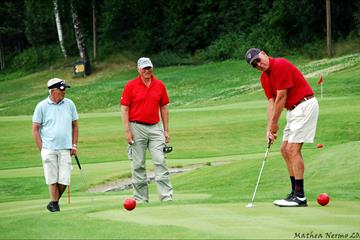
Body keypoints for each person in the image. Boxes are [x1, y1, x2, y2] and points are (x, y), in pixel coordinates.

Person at [245, 48, 319, 207]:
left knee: (293, 150)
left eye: (258, 59)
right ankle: (294, 193)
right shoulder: (264, 78)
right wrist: (268, 129)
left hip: (305, 105)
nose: (259, 64)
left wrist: (275, 123)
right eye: (255, 64)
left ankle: (300, 197)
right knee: (284, 150)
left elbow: (281, 96)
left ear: (264, 53)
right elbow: (271, 102)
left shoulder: (280, 64)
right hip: (293, 111)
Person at [120, 57, 173, 203]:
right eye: (144, 68)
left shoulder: (159, 85)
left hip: (156, 127)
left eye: (149, 67)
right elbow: (124, 109)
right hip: (136, 127)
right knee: (138, 164)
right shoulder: (130, 86)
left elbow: (164, 107)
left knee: (160, 161)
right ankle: (141, 199)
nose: (147, 71)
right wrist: (127, 131)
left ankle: (166, 197)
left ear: (152, 68)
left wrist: (166, 130)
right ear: (138, 69)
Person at [32, 78, 79, 212]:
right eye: (62, 89)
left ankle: (54, 201)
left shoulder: (70, 104)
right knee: (52, 178)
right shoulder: (41, 106)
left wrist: (74, 145)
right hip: (48, 148)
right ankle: (54, 205)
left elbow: (75, 126)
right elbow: (35, 129)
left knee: (65, 180)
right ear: (53, 91)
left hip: (66, 148)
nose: (64, 92)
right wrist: (42, 149)